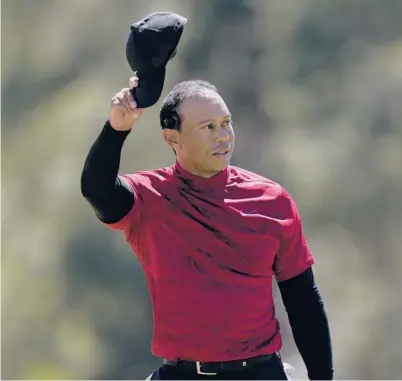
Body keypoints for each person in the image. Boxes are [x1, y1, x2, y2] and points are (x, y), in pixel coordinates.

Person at [80, 76, 334, 380]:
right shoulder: (149, 198)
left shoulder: (272, 200)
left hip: (260, 373)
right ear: (172, 138)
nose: (223, 136)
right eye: (208, 127)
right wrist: (116, 128)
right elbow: (97, 190)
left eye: (226, 123)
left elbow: (303, 299)